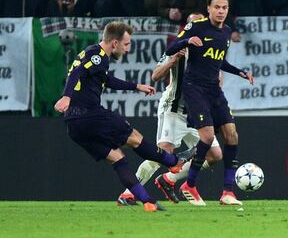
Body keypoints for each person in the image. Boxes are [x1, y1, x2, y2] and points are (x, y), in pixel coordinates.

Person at [53, 21, 188, 212]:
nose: (127, 49)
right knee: (135, 138)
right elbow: (77, 71)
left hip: (74, 125)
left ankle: (147, 201)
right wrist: (66, 96)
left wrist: (136, 86)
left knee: (118, 158)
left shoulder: (93, 55)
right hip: (89, 114)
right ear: (114, 43)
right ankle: (174, 163)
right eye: (126, 44)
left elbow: (106, 80)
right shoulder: (97, 55)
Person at [117, 14, 223, 206]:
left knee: (214, 154)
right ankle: (128, 193)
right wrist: (172, 62)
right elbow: (155, 75)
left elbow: (218, 80)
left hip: (196, 112)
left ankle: (169, 180)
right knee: (163, 152)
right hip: (174, 107)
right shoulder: (178, 48)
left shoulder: (213, 50)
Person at [165, 0, 255, 206]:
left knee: (232, 136)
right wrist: (186, 41)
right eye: (217, 7)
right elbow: (170, 49)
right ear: (209, 8)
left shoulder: (226, 32)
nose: (221, 11)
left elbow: (219, 62)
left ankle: (228, 193)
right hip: (194, 88)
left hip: (214, 90)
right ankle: (190, 185)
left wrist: (240, 72)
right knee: (206, 138)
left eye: (224, 8)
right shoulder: (196, 27)